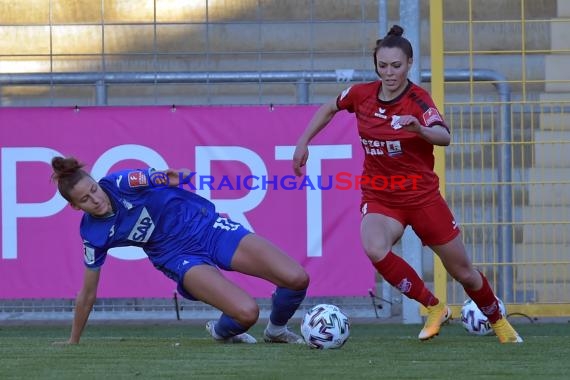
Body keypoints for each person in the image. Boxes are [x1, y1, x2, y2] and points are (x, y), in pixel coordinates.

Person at [292, 25, 522, 343]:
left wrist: (419, 129)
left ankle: (499, 323)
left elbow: (445, 136)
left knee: (464, 272)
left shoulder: (418, 101)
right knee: (374, 246)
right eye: (383, 65)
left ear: (409, 63)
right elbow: (330, 107)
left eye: (396, 66)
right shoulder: (361, 95)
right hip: (381, 196)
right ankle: (433, 306)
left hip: (422, 197)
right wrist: (303, 142)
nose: (389, 73)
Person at [51, 156, 309, 344]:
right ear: (75, 207)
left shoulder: (119, 182)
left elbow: (152, 177)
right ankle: (221, 332)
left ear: (97, 182)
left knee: (296, 279)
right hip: (176, 256)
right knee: (247, 313)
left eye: (94, 189)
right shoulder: (92, 235)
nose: (96, 199)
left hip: (207, 227)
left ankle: (276, 330)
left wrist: (169, 177)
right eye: (85, 199)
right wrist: (73, 340)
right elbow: (87, 292)